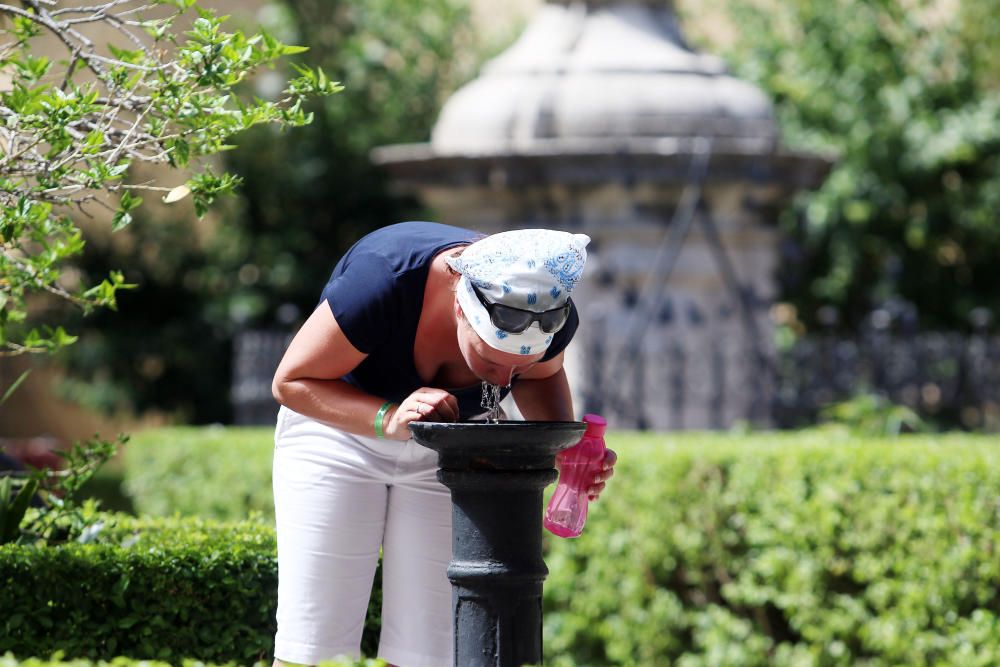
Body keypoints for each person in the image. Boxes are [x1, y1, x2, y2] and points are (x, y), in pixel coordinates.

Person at [270, 221, 617, 667]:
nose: (501, 380)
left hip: (448, 453)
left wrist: (569, 452)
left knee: (427, 654)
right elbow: (292, 381)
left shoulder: (544, 305)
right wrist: (388, 417)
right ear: (461, 307)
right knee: (313, 648)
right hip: (338, 437)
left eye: (517, 369)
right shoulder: (384, 280)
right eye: (491, 360)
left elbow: (543, 379)